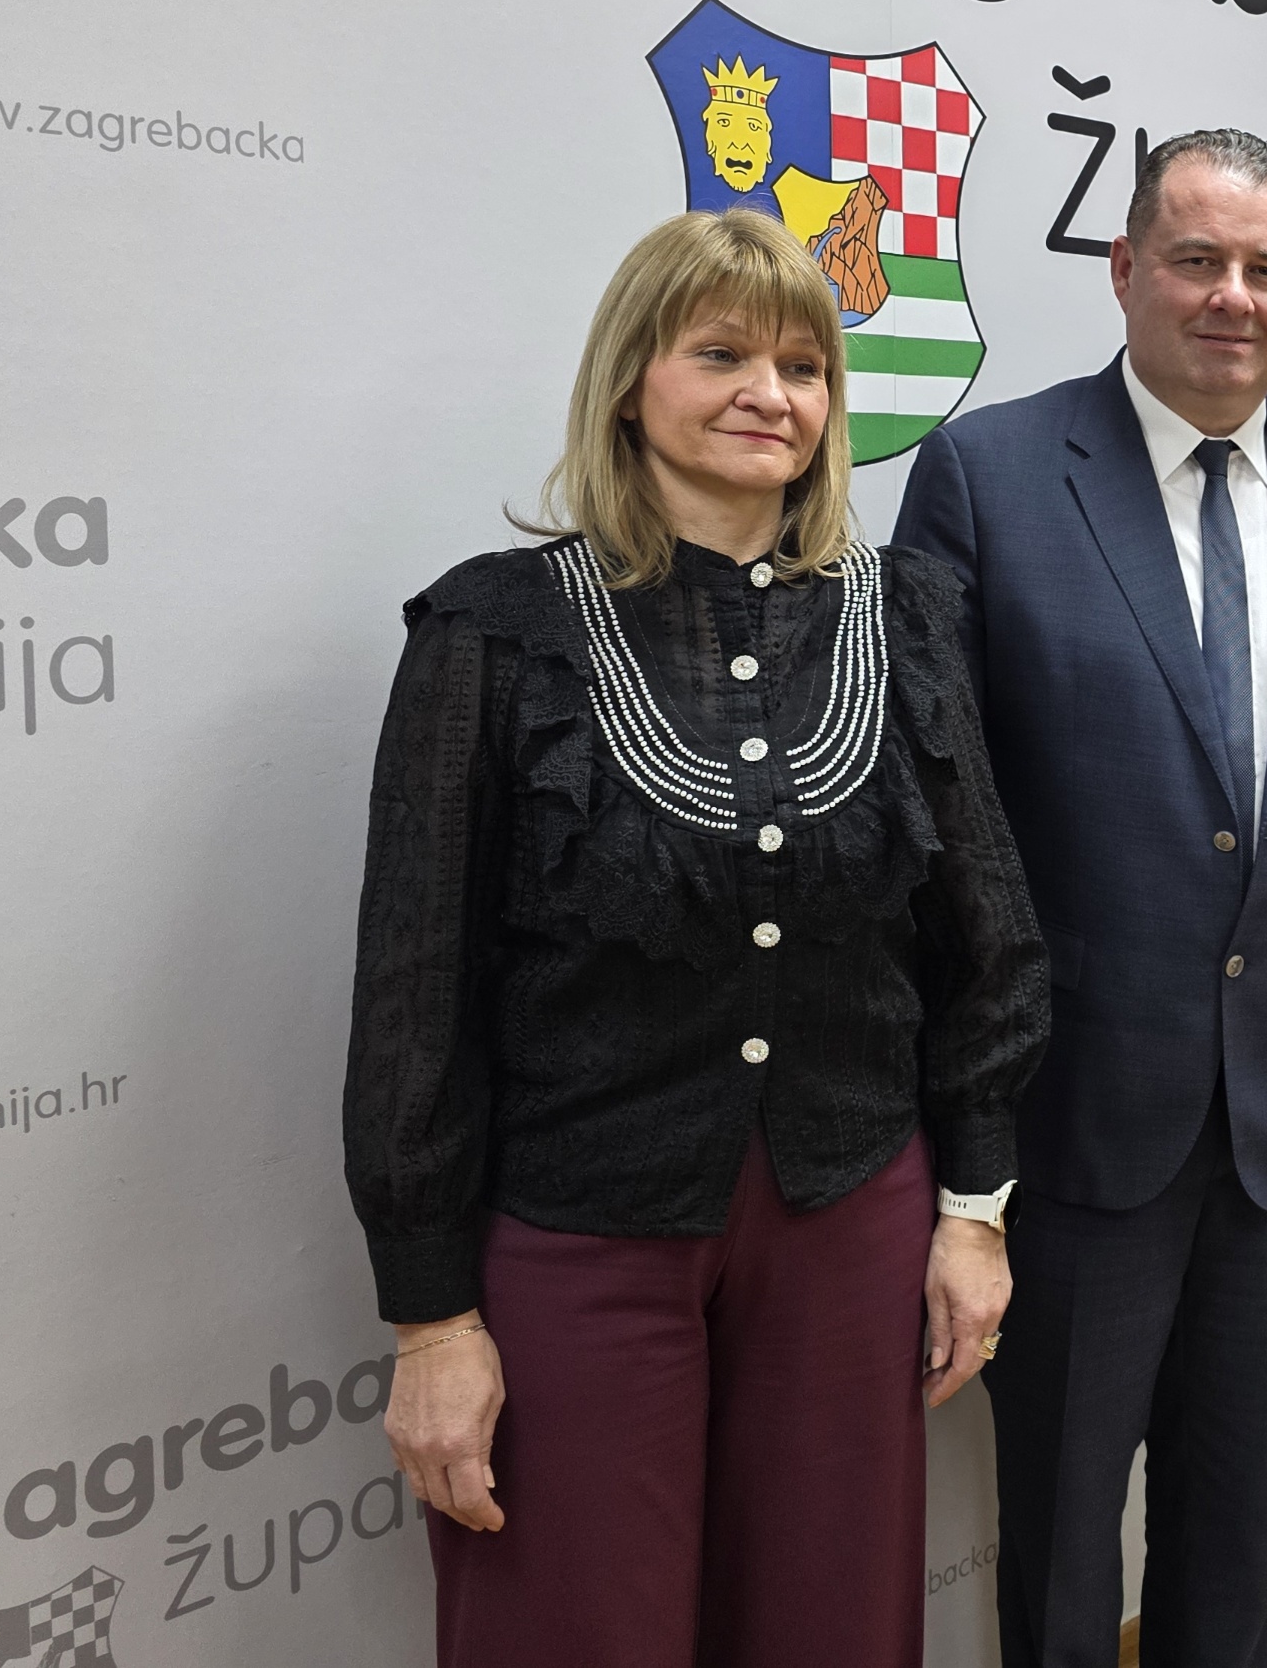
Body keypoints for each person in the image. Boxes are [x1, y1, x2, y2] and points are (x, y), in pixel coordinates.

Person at [343, 208, 1050, 1668]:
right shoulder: (493, 631)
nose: (768, 393)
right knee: (572, 1629)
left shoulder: (909, 616)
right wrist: (431, 1324)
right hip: (580, 1228)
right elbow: (415, 993)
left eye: (804, 366)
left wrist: (974, 1212)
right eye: (720, 353)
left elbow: (987, 935)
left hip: (852, 1209)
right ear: (629, 382)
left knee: (830, 1621)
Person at [891, 128, 1267, 1668]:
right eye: (1197, 259)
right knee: (1065, 1525)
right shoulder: (988, 475)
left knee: (1236, 1507)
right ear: (1124, 268)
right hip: (1079, 1108)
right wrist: (962, 1126)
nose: (1233, 295)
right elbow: (938, 832)